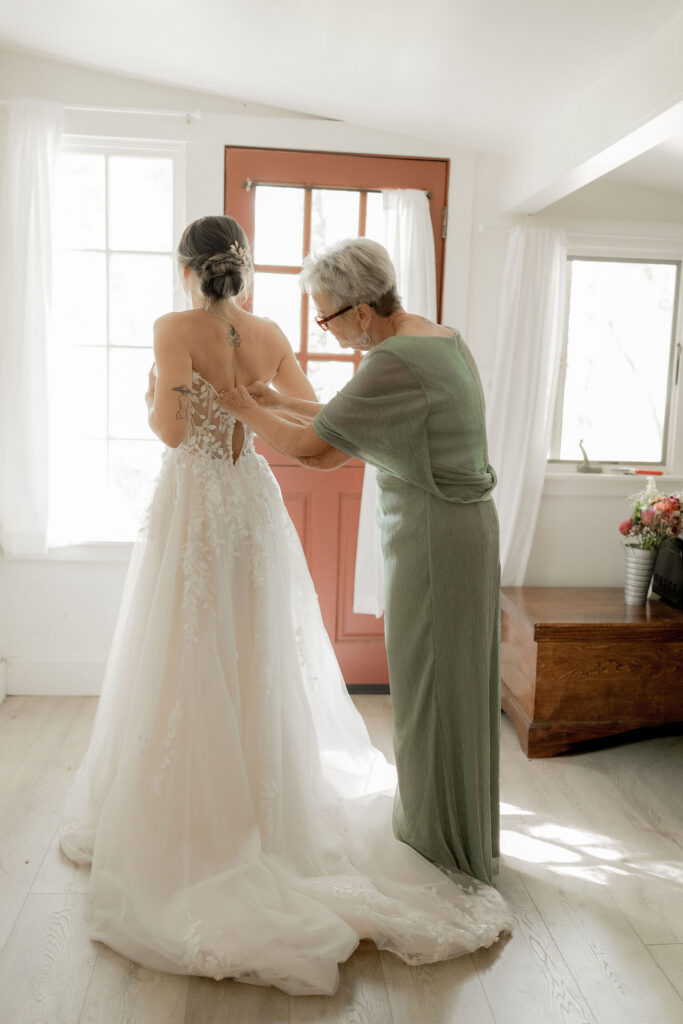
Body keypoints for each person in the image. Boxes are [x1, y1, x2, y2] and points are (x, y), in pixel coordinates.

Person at [60, 217, 510, 997]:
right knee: (255, 647)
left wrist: (154, 398)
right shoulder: (269, 332)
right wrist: (256, 399)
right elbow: (314, 412)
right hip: (251, 507)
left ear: (185, 267)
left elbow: (173, 431)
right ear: (238, 267)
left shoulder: (173, 327)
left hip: (197, 505)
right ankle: (264, 792)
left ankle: (198, 811)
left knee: (185, 646)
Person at [220, 237, 502, 887]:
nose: (327, 329)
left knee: (431, 685)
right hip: (463, 531)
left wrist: (245, 409)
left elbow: (316, 452)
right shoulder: (438, 339)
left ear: (362, 310)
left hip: (433, 540)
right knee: (454, 684)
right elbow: (341, 418)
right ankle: (454, 827)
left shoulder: (391, 361)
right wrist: (272, 396)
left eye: (325, 317)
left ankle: (438, 841)